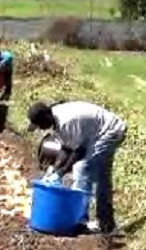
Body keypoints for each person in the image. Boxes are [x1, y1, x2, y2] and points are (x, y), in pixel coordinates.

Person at [26, 100, 128, 235]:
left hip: (110, 131)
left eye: (40, 125)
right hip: (95, 134)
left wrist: (61, 172)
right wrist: (54, 170)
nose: (40, 129)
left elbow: (79, 151)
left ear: (46, 117)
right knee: (90, 172)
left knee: (84, 169)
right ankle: (100, 222)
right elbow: (66, 148)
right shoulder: (56, 121)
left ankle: (87, 221)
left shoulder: (67, 121)